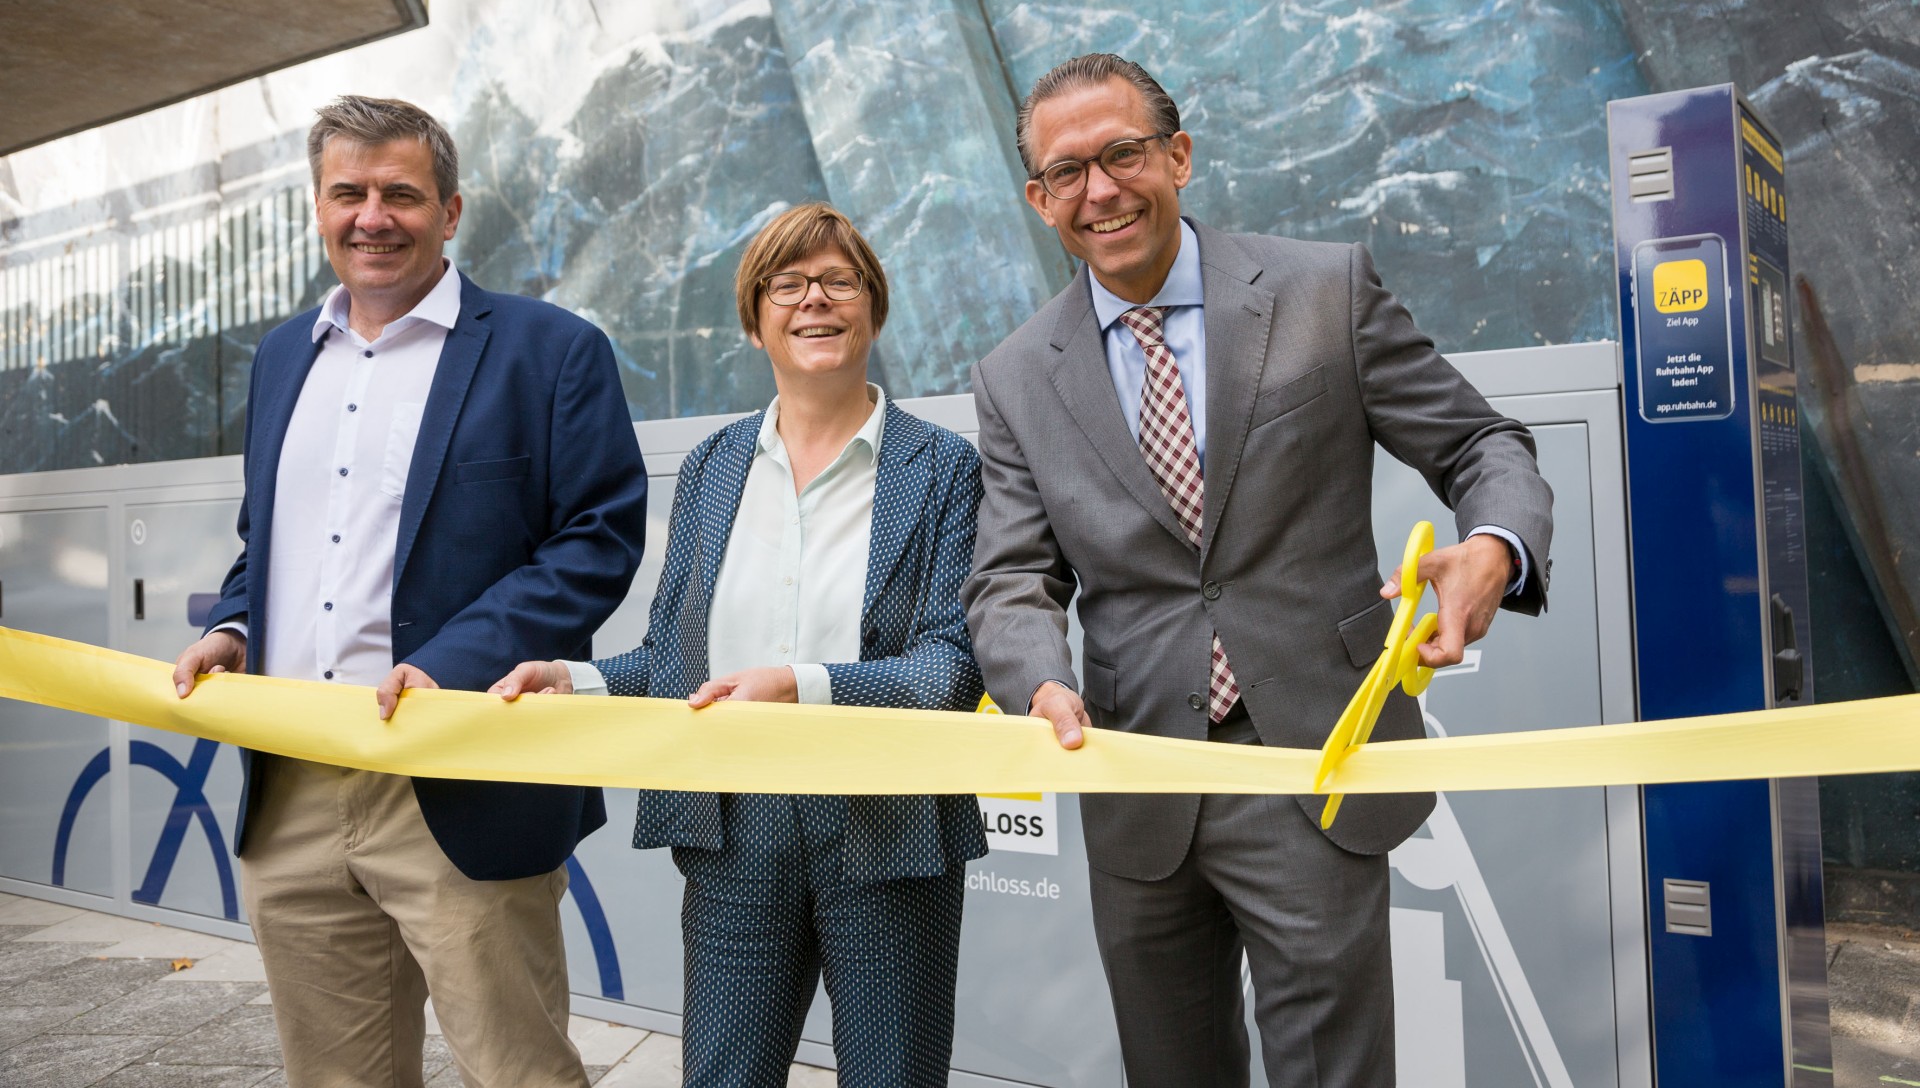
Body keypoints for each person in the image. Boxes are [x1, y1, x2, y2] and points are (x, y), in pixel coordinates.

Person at [961, 54, 1554, 1088]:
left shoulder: (1327, 289)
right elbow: (1010, 577)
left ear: (1177, 155)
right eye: (1068, 172)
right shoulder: (1013, 375)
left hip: (1311, 766)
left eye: (1123, 154)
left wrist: (1495, 547)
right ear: (1040, 198)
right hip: (1136, 776)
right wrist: (1037, 679)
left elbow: (1482, 445)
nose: (1099, 190)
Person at [169, 95, 649, 1088]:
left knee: (520, 1072)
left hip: (461, 771)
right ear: (318, 208)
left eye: (401, 193)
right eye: (349, 193)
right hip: (293, 777)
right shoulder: (276, 359)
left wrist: (448, 662)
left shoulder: (551, 351)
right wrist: (233, 622)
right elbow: (269, 541)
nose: (372, 216)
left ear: (452, 208)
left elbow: (597, 538)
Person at [492, 202, 986, 1088]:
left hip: (885, 817)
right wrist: (575, 678)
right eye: (787, 285)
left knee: (895, 1078)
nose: (815, 303)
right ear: (755, 322)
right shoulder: (714, 467)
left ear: (873, 307)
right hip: (734, 826)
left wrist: (805, 686)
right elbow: (675, 662)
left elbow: (950, 667)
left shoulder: (944, 467)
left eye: (839, 282)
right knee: (723, 1076)